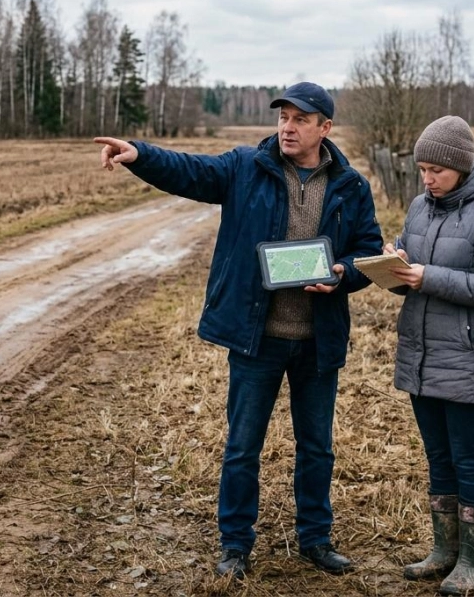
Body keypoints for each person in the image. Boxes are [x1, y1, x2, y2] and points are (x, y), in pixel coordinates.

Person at [96, 82, 383, 580]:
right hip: (259, 339)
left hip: (318, 341)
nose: (288, 127)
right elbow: (189, 171)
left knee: (317, 447)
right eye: (283, 117)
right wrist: (138, 154)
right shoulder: (245, 168)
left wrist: (341, 274)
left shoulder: (351, 186)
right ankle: (235, 545)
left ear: (325, 129)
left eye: (300, 119)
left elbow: (367, 250)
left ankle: (315, 538)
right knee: (242, 446)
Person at [383, 115, 474, 595]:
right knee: (438, 457)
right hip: (422, 356)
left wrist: (429, 277)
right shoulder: (421, 207)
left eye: (435, 170)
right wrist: (394, 264)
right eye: (422, 169)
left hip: (467, 357)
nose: (427, 179)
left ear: (460, 167)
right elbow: (411, 263)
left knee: (469, 458)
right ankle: (443, 551)